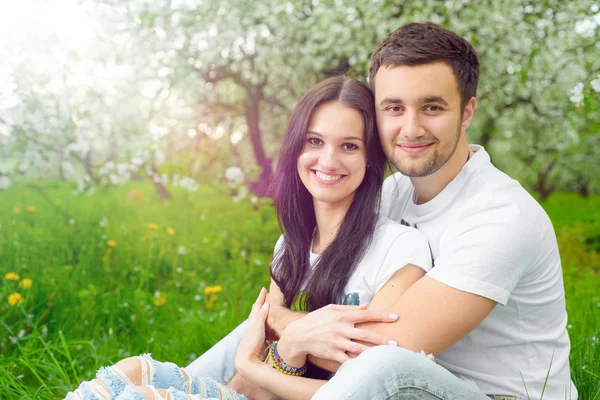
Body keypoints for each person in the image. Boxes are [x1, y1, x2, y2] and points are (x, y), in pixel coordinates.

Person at [191, 23, 577, 400]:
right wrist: (277, 326)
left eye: (432, 107)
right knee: (255, 331)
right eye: (393, 107)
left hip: (490, 393)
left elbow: (374, 349)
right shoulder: (391, 193)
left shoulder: (500, 216)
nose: (411, 128)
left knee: (383, 365)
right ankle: (162, 388)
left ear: (466, 112)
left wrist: (277, 322)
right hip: (396, 379)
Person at [65, 76, 433, 400]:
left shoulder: (400, 248)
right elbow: (268, 341)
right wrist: (285, 347)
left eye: (349, 146)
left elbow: (366, 385)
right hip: (263, 390)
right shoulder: (290, 245)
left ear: (371, 158)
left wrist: (275, 347)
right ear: (296, 149)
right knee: (132, 371)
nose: (329, 160)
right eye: (315, 141)